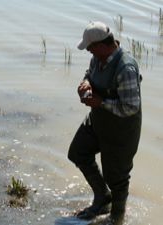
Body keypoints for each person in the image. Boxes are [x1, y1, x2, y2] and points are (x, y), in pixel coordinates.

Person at [68, 21, 142, 224]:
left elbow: (130, 107)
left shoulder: (125, 67)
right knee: (78, 153)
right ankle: (102, 197)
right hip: (98, 121)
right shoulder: (98, 58)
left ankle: (117, 217)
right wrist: (85, 83)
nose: (89, 52)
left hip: (121, 131)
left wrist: (100, 102)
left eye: (91, 48)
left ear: (102, 45)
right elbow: (90, 74)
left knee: (116, 177)